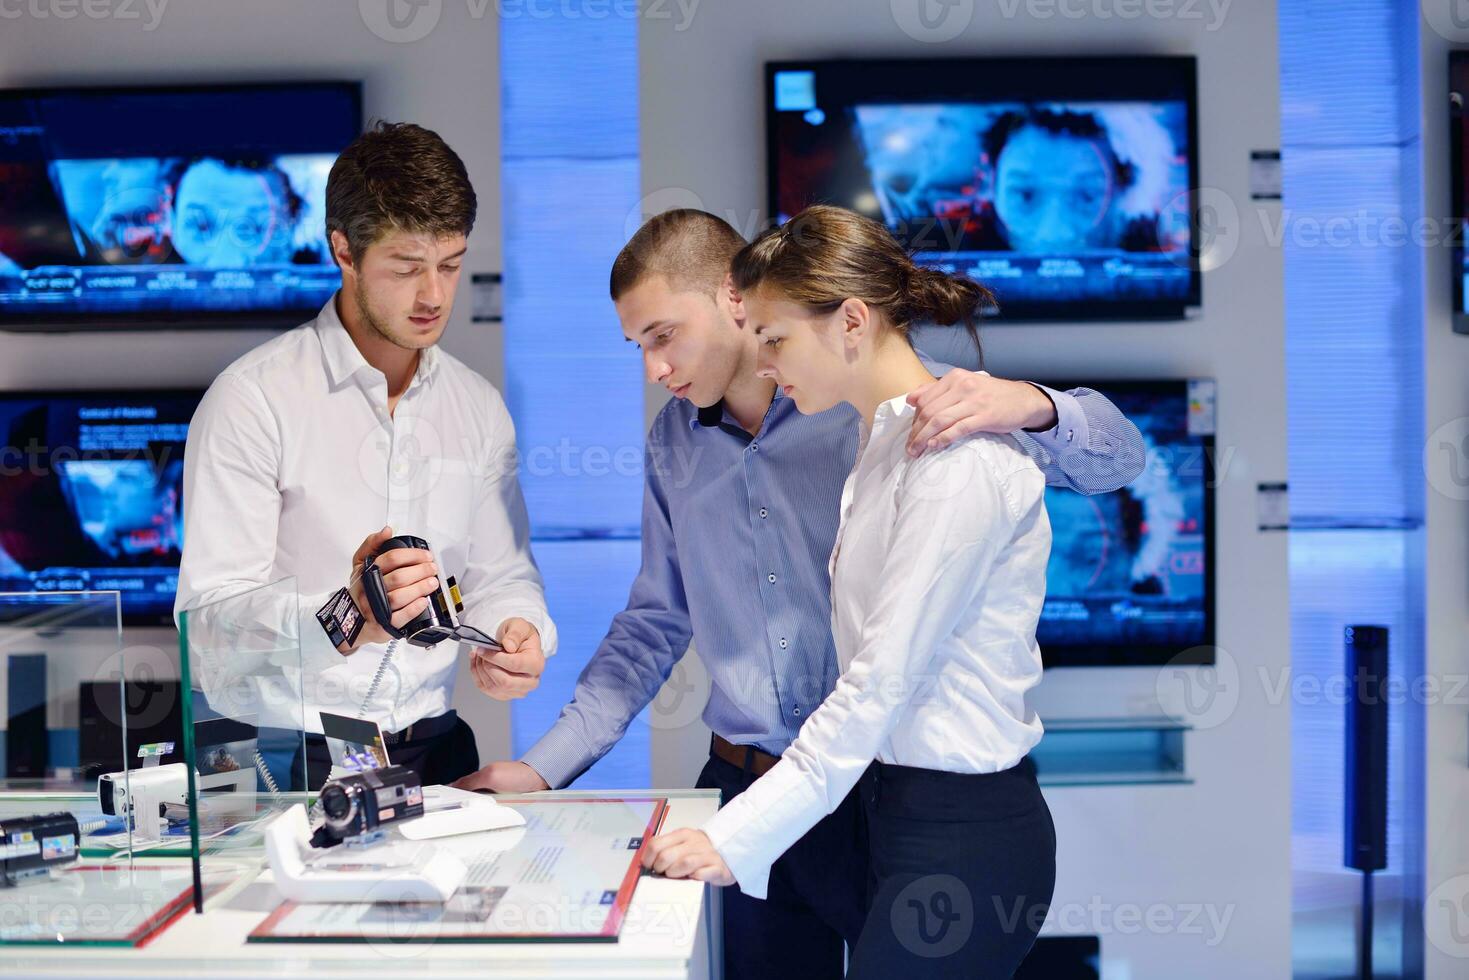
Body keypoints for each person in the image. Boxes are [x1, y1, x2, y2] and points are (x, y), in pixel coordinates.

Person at [454, 207, 1141, 978]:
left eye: (661, 335)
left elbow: (1117, 460)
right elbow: (653, 622)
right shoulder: (676, 443)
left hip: (872, 794)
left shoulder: (908, 420)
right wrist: (544, 766)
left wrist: (1040, 404)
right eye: (636, 346)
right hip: (747, 783)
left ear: (732, 298)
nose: (652, 369)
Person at [642, 205, 1057, 977]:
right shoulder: (878, 448)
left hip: (966, 833)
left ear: (852, 322)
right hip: (890, 813)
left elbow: (876, 685)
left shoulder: (955, 463)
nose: (762, 363)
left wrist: (733, 838)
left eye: (774, 339)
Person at [175, 121, 555, 791]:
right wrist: (346, 618)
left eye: (450, 263)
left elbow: (500, 575)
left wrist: (518, 631)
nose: (434, 295)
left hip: (436, 750)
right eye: (406, 268)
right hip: (283, 758)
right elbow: (207, 633)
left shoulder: (477, 406)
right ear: (343, 251)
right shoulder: (251, 400)